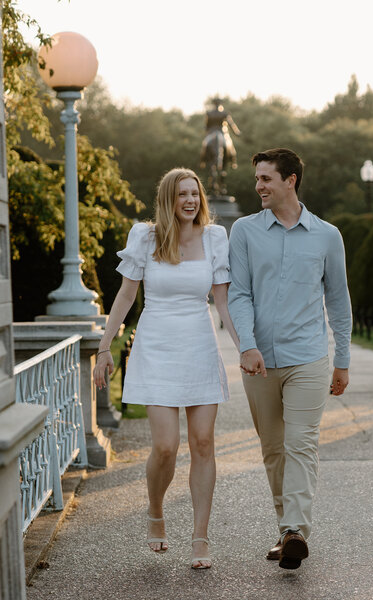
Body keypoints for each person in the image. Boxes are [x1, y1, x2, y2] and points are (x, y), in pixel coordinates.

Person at [93, 167, 239, 570]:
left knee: (204, 442)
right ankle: (155, 511)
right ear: (168, 200)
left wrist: (247, 348)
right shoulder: (145, 236)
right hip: (156, 347)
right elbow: (125, 296)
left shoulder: (215, 237)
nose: (190, 201)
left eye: (194, 194)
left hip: (199, 346)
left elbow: (224, 303)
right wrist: (105, 348)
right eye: (181, 195)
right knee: (165, 446)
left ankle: (199, 537)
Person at [228, 148, 352, 570]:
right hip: (258, 362)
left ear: (290, 180)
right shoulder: (244, 231)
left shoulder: (326, 235)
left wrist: (343, 359)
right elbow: (239, 294)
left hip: (308, 359)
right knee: (274, 450)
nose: (258, 186)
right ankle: (287, 531)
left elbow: (338, 299)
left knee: (301, 444)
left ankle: (296, 529)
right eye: (258, 179)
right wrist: (246, 343)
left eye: (266, 179)